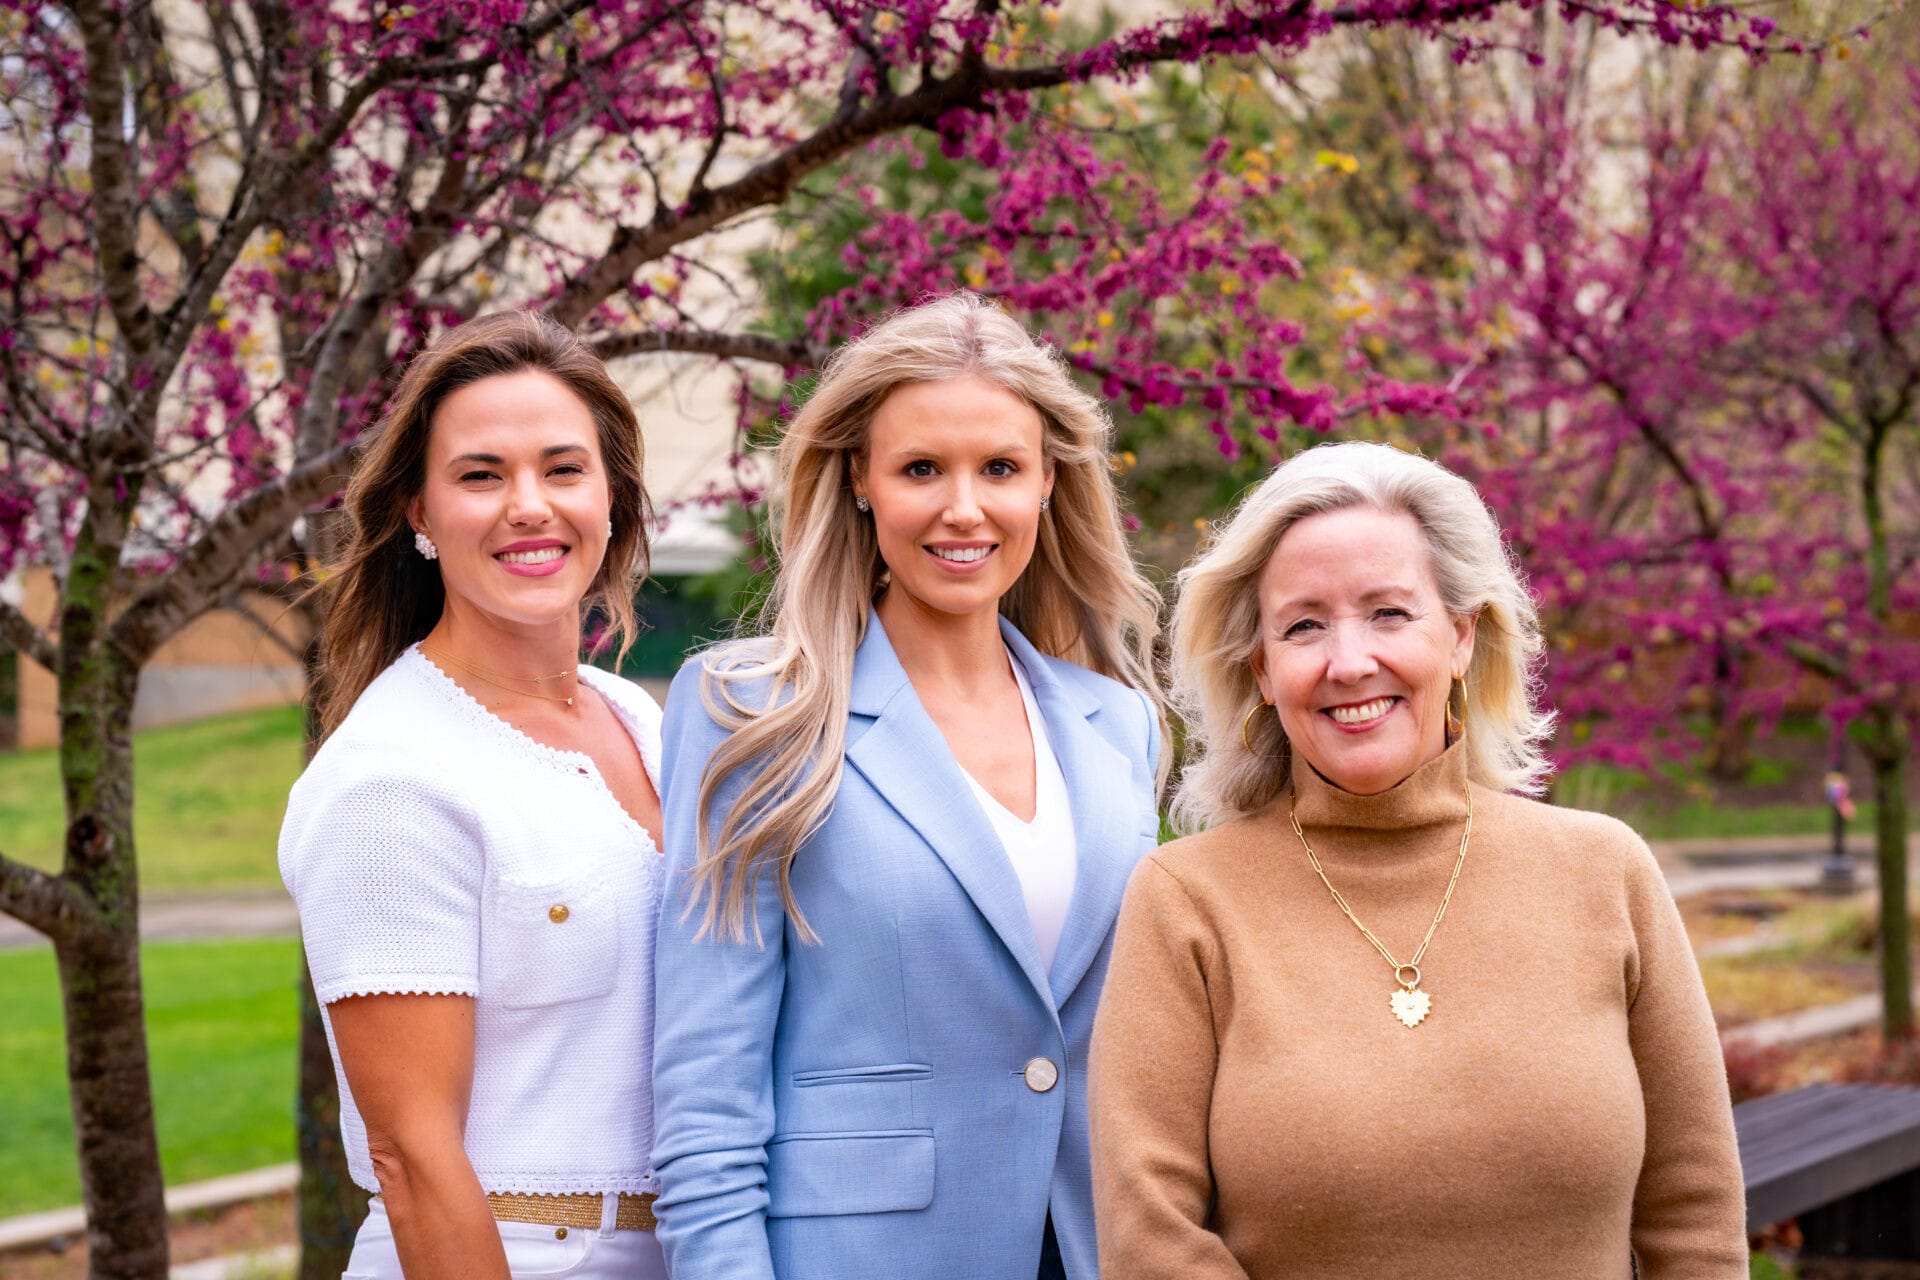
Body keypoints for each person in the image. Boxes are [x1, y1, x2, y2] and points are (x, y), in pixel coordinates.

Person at [1090, 441, 1746, 1279]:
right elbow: (1152, 1240)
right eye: (1303, 626)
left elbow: (1695, 1221)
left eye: (1390, 613)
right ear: (1262, 669)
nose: (1350, 661)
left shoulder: (1605, 872)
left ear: (1463, 636)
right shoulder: (1185, 899)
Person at [651, 292, 1165, 1280]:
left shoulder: (1118, 725)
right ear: (860, 479)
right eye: (922, 468)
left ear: (1049, 482)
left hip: (1095, 1245)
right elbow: (705, 1084)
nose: (963, 507)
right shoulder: (751, 711)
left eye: (1000, 469)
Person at [280, 311, 668, 1280]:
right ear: (418, 509)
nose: (528, 505)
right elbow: (411, 1155)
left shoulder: (646, 725)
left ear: (612, 495)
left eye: (563, 468)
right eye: (481, 473)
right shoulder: (392, 779)